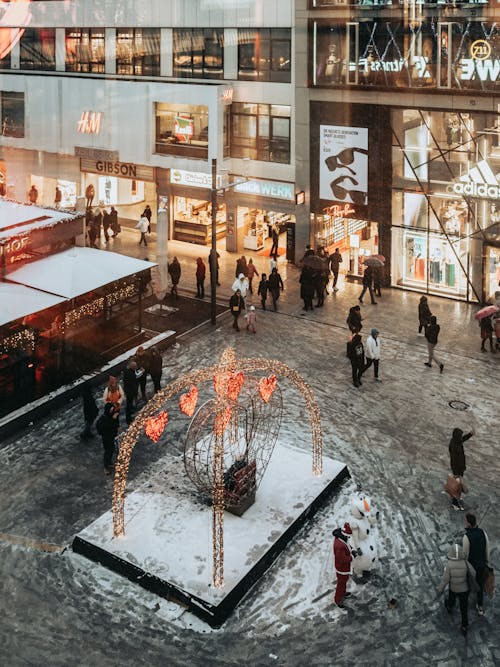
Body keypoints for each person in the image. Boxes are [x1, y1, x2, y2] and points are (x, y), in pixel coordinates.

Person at [438, 543, 476, 636]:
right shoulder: (465, 563)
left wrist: (440, 588)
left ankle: (450, 607)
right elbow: (473, 573)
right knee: (464, 608)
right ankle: (464, 625)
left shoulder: (449, 565)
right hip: (464, 589)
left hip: (453, 588)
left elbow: (445, 579)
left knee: (451, 599)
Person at [463, 513, 491, 616]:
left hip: (472, 566)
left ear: (469, 524)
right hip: (481, 564)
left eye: (465, 521)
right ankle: (480, 606)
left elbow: (465, 554)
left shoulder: (466, 537)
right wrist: (486, 561)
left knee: (467, 582)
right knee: (480, 584)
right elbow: (487, 548)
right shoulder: (483, 532)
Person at [449, 428, 473, 510]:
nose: (461, 437)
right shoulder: (455, 446)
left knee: (457, 486)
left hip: (458, 469)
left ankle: (456, 500)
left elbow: (462, 440)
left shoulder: (454, 441)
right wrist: (459, 473)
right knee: (457, 487)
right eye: (460, 436)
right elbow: (457, 460)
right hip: (457, 470)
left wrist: (470, 434)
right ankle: (455, 504)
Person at [332, 523, 355, 608]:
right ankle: (338, 600)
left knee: (343, 582)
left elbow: (347, 546)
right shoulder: (339, 546)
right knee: (341, 583)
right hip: (342, 569)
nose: (349, 538)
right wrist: (353, 556)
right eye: (348, 536)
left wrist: (351, 550)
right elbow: (343, 559)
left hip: (343, 568)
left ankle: (343, 593)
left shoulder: (341, 538)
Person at [98, 402, 120, 475]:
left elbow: (115, 424)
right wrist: (113, 419)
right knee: (108, 451)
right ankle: (106, 467)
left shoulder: (112, 415)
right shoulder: (104, 419)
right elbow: (107, 426)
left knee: (111, 450)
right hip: (107, 438)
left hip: (112, 436)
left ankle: (109, 463)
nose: (112, 410)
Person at [122, 358, 139, 425]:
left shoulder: (127, 371)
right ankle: (128, 419)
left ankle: (129, 415)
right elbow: (133, 383)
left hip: (127, 390)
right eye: (135, 367)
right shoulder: (131, 374)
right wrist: (135, 394)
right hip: (130, 391)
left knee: (129, 404)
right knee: (129, 405)